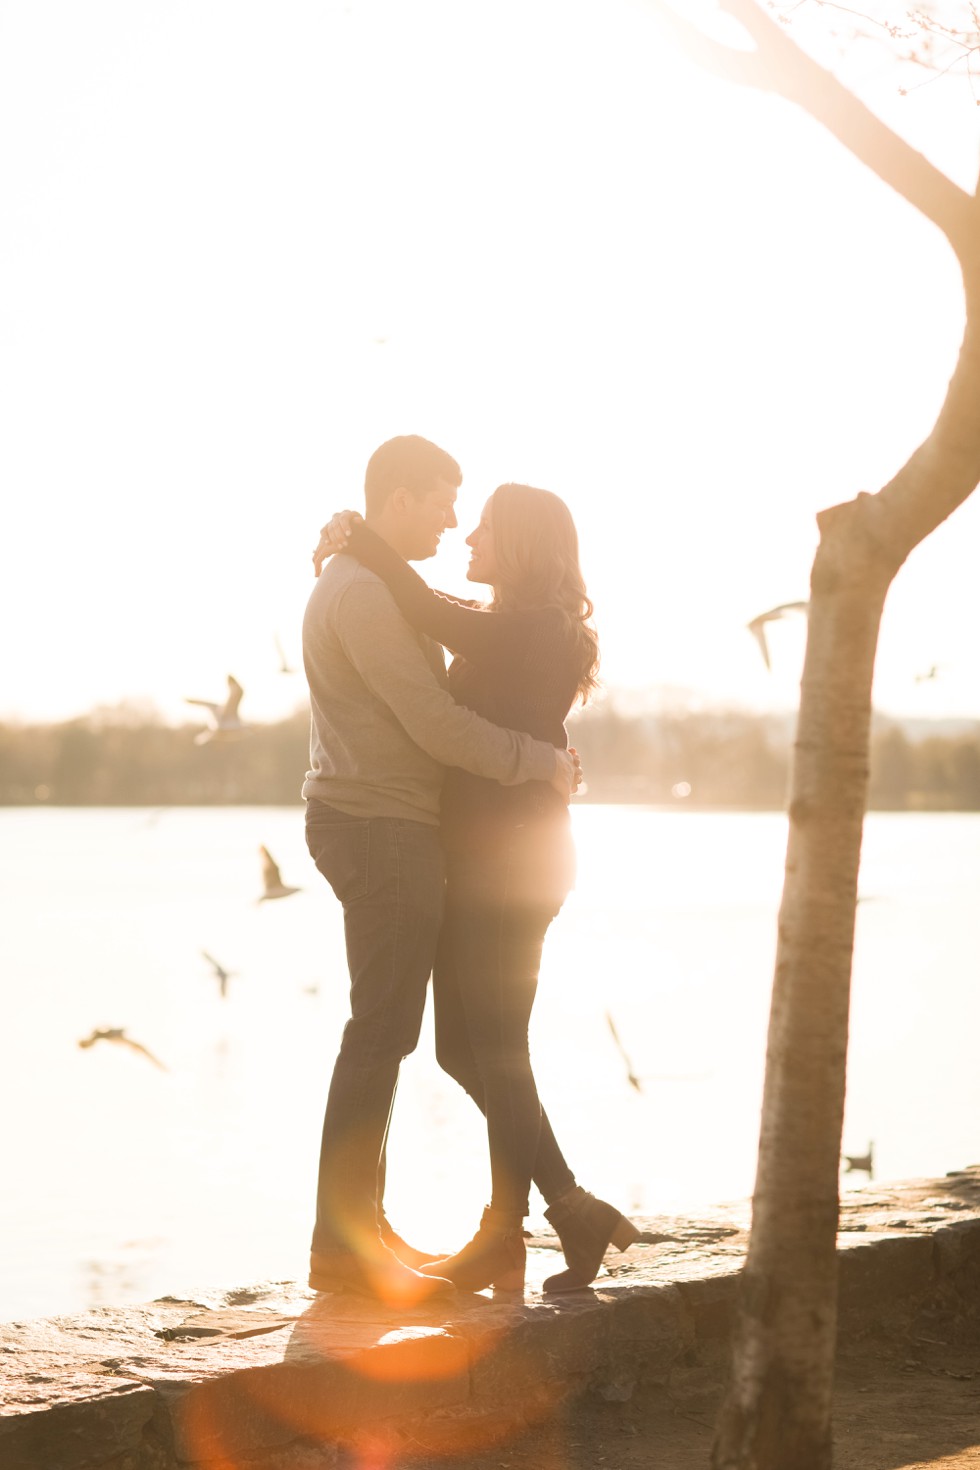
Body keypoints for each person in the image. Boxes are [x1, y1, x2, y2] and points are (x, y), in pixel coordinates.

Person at [313, 480, 639, 1296]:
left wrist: (360, 538)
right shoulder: (513, 627)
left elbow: (425, 611)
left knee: (494, 1046)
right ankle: (566, 1207)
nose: (466, 537)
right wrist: (354, 548)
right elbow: (429, 608)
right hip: (492, 856)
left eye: (484, 528)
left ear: (521, 544)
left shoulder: (534, 629)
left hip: (515, 861)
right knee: (466, 1047)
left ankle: (509, 1230)